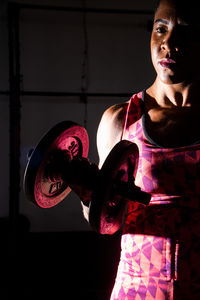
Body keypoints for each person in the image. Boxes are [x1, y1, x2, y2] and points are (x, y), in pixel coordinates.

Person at [80, 0, 200, 299]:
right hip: (137, 289)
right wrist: (87, 194)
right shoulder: (121, 120)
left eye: (184, 32)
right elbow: (108, 221)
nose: (168, 43)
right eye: (161, 29)